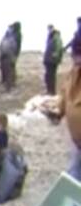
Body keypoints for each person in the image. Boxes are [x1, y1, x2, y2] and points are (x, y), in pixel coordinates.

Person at [56, 42, 81, 181]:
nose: (75, 61)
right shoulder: (73, 73)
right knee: (73, 177)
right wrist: (59, 110)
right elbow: (66, 92)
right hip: (77, 141)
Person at [45, 25, 65, 96]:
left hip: (52, 61)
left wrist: (55, 55)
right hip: (48, 60)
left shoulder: (56, 37)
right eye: (48, 29)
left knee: (51, 76)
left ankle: (52, 91)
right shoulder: (50, 37)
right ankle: (49, 90)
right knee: (48, 76)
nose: (49, 30)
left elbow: (58, 47)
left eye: (50, 28)